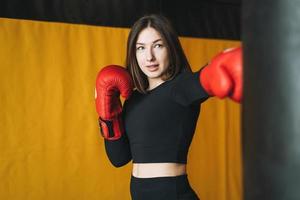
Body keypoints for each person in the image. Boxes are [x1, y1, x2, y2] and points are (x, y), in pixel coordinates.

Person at [95, 14, 242, 200]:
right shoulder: (133, 98)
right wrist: (108, 115)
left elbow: (201, 81)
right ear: (133, 53)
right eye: (141, 48)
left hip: (171, 193)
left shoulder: (180, 87)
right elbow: (119, 159)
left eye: (158, 45)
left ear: (170, 48)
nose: (149, 57)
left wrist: (220, 68)